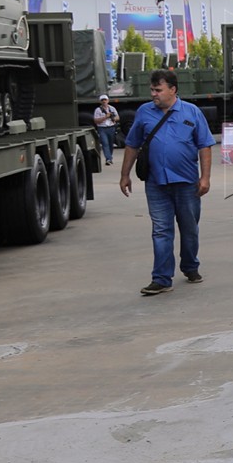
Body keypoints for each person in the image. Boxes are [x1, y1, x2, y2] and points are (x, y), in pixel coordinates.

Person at [119, 69, 216, 296]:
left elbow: (205, 145)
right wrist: (125, 174)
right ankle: (161, 278)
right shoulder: (144, 112)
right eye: (152, 90)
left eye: (158, 90)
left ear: (172, 90)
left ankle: (190, 266)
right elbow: (132, 144)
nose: (154, 94)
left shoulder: (192, 112)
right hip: (156, 183)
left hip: (187, 183)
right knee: (161, 230)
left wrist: (205, 178)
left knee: (189, 229)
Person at [91, 93, 120, 164]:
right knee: (105, 143)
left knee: (110, 143)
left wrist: (113, 118)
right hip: (102, 128)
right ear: (100, 101)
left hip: (111, 128)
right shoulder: (98, 110)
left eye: (105, 100)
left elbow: (118, 117)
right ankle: (108, 159)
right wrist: (105, 117)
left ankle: (110, 156)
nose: (104, 101)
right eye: (102, 100)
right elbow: (96, 120)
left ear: (108, 101)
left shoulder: (112, 108)